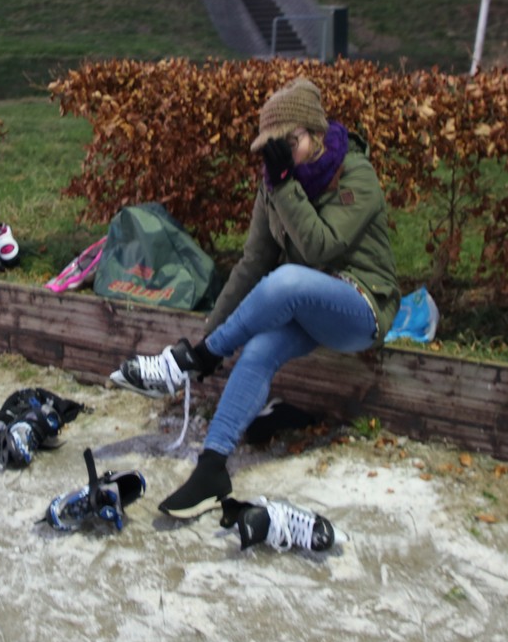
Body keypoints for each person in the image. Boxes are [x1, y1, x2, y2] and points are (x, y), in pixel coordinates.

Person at [109, 77, 400, 520]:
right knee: (260, 348)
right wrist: (210, 330)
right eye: (272, 147)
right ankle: (212, 469)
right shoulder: (276, 183)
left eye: (290, 143)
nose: (282, 155)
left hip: (361, 307)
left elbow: (321, 248)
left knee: (287, 280)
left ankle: (193, 360)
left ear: (316, 134)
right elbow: (252, 264)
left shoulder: (354, 173)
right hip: (306, 306)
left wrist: (284, 187)